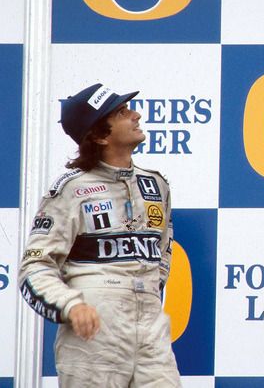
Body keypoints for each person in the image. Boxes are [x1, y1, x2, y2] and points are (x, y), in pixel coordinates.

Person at [18, 83, 180, 387]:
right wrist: (71, 304)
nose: (136, 114)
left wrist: (145, 290)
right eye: (122, 112)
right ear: (100, 135)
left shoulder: (157, 186)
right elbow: (34, 267)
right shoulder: (71, 190)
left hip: (151, 328)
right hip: (94, 332)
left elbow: (162, 253)